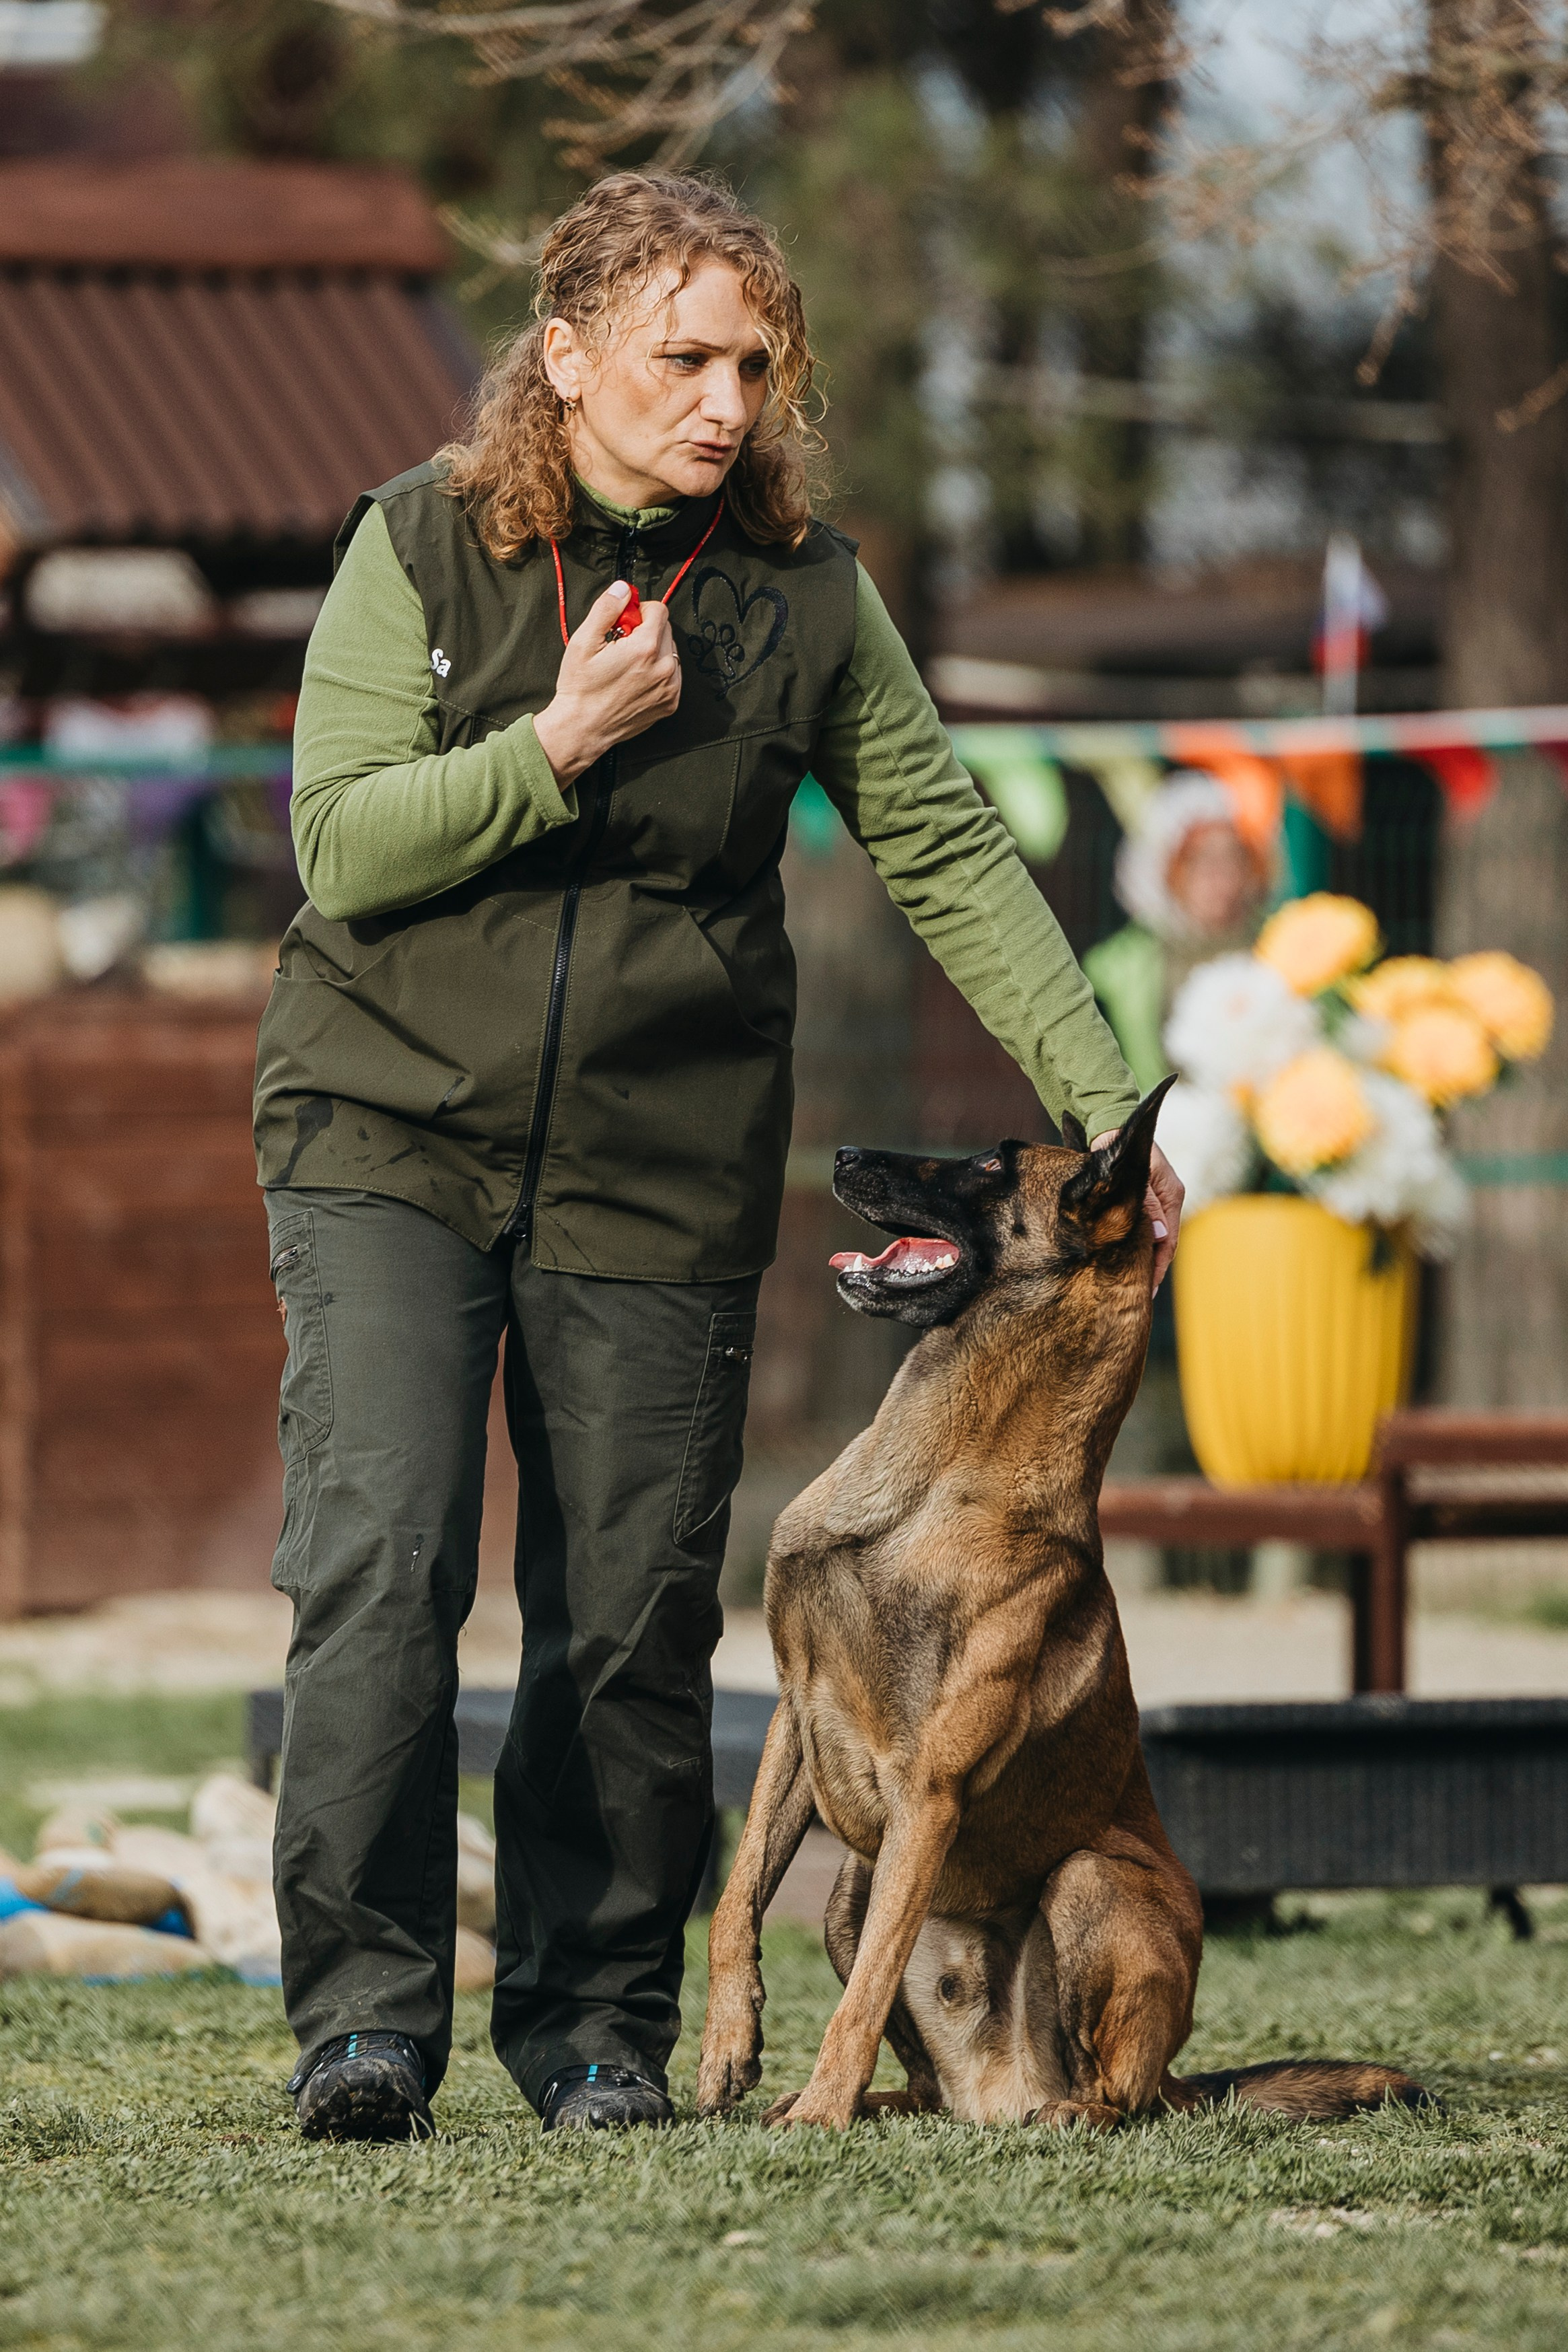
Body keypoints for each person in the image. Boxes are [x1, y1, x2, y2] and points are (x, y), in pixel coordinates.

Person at [254, 170, 1184, 2143]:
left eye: (753, 363)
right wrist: (553, 744)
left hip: (655, 1165)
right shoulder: (416, 545)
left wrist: (1101, 1107)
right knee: (381, 1561)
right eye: (682, 356)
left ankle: (590, 2030)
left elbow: (943, 850)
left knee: (625, 1609)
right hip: (384, 1130)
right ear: (565, 351)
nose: (723, 398)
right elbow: (334, 844)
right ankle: (365, 2020)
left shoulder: (803, 597)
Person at [1084, 771, 1273, 1092]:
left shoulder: (1275, 952)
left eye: (1234, 859)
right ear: (1169, 870)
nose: (1222, 880)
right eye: (1202, 862)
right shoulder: (1121, 968)